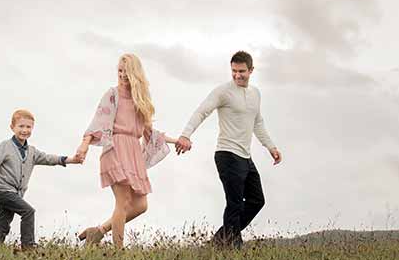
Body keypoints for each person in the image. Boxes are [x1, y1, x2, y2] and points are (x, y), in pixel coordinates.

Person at [176, 51, 283, 248]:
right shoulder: (223, 92)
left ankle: (218, 241)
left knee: (257, 200)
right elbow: (202, 111)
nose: (237, 75)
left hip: (245, 157)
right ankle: (233, 249)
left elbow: (257, 122)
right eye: (233, 71)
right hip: (227, 154)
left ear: (251, 70)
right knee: (234, 204)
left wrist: (271, 147)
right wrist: (185, 135)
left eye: (241, 71)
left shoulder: (255, 93)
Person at [75, 53, 174, 249]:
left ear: (135, 74)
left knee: (140, 205)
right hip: (115, 148)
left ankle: (99, 231)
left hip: (133, 152)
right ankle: (118, 253)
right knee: (123, 201)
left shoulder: (140, 100)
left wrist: (176, 140)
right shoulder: (112, 94)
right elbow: (97, 122)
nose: (122, 75)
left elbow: (149, 132)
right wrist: (84, 145)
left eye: (126, 71)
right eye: (119, 71)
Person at [0, 109, 84, 248]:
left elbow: (48, 158)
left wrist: (72, 160)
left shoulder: (32, 151)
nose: (25, 130)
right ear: (12, 127)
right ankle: (28, 247)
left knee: (4, 222)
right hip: (1, 190)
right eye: (21, 126)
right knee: (28, 211)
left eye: (28, 127)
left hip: (15, 193)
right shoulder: (5, 146)